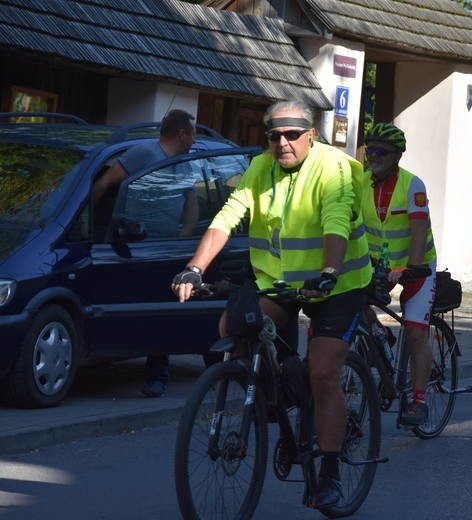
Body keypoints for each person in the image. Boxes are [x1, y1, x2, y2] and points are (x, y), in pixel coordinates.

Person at [171, 100, 372, 508]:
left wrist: (329, 272)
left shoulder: (330, 168)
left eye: (292, 135)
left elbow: (336, 222)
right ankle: (274, 396)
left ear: (310, 136)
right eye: (274, 136)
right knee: (233, 326)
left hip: (338, 283)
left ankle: (330, 476)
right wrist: (194, 268)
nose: (283, 143)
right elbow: (229, 215)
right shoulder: (261, 167)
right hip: (283, 280)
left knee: (322, 372)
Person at [92, 108, 197, 398]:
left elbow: (191, 204)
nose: (195, 139)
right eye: (193, 132)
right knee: (136, 307)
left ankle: (157, 376)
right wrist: (88, 222)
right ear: (182, 134)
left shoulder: (185, 163)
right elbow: (105, 182)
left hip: (168, 248)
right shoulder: (143, 154)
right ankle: (111, 361)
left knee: (162, 312)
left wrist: (185, 237)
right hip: (133, 246)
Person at [361, 122, 437, 426]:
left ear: (397, 155)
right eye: (370, 149)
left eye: (382, 151)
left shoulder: (412, 185)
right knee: (351, 303)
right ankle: (380, 334)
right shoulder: (360, 181)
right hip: (375, 266)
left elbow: (418, 231)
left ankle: (418, 400)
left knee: (417, 332)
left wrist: (410, 267)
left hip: (416, 267)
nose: (374, 155)